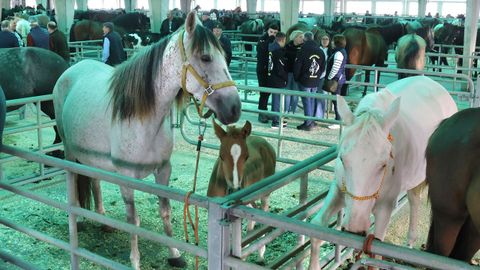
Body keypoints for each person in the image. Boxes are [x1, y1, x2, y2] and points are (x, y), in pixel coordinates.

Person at [293, 31, 325, 131]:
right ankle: (311, 121)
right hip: (315, 80)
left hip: (305, 80)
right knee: (311, 100)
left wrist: (297, 78)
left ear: (304, 39)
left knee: (306, 101)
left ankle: (308, 123)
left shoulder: (303, 50)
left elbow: (297, 66)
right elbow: (323, 66)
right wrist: (317, 76)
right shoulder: (320, 51)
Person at [256, 23, 279, 123]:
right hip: (262, 69)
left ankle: (264, 111)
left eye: (275, 33)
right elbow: (262, 51)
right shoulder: (262, 39)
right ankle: (261, 113)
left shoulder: (276, 40)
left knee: (268, 92)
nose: (272, 34)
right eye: (271, 32)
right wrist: (270, 42)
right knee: (264, 92)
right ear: (267, 31)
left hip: (272, 69)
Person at [325, 34, 347, 128]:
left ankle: (338, 121)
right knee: (336, 100)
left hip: (336, 80)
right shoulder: (341, 51)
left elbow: (335, 68)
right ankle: (338, 119)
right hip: (339, 79)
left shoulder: (338, 53)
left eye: (333, 41)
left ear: (337, 42)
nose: (331, 43)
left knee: (336, 100)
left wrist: (329, 78)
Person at [266, 32, 287, 129]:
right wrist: (285, 77)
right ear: (282, 40)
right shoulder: (278, 51)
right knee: (277, 100)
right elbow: (280, 68)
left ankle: (275, 119)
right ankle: (276, 121)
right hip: (278, 78)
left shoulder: (271, 47)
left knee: (275, 99)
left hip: (271, 76)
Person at [284, 30, 304, 116]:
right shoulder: (287, 46)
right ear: (294, 37)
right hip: (288, 72)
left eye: (302, 37)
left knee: (295, 93)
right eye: (300, 37)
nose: (302, 39)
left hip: (297, 74)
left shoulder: (303, 48)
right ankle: (286, 110)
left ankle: (293, 110)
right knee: (287, 92)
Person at [315, 32, 331, 121]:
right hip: (316, 75)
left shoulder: (331, 51)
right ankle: (315, 114)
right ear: (320, 41)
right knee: (316, 95)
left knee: (322, 96)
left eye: (326, 39)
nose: (325, 41)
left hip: (325, 76)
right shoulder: (317, 49)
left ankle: (320, 115)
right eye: (323, 39)